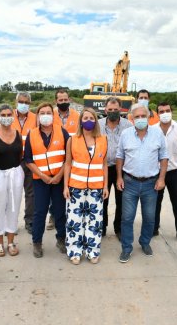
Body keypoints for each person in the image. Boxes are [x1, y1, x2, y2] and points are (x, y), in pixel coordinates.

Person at [116, 103, 168, 263]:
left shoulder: (157, 133)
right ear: (131, 118)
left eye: (143, 116)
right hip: (130, 182)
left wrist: (161, 178)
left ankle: (145, 242)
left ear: (149, 117)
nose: (140, 119)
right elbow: (120, 156)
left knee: (149, 217)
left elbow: (164, 157)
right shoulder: (125, 134)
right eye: (136, 116)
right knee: (127, 218)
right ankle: (126, 248)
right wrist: (119, 177)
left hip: (151, 184)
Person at [24, 102, 70, 258]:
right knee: (40, 212)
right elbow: (28, 159)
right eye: (42, 113)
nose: (45, 116)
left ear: (53, 114)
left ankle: (61, 239)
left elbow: (68, 158)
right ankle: (37, 243)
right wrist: (42, 175)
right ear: (37, 116)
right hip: (40, 180)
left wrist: (59, 176)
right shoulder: (32, 134)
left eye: (48, 112)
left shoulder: (62, 132)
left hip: (58, 180)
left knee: (60, 211)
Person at [64, 108, 109, 265]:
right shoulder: (72, 139)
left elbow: (104, 164)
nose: (88, 120)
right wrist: (65, 187)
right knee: (74, 219)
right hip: (76, 186)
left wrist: (105, 186)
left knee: (95, 220)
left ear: (96, 120)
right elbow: (68, 164)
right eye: (85, 118)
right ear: (80, 121)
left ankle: (92, 251)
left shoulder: (103, 139)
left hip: (96, 187)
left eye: (91, 118)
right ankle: (74, 251)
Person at [152, 102, 177, 245]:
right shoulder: (152, 130)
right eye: (161, 111)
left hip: (175, 172)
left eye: (167, 110)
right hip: (156, 172)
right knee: (155, 203)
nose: (165, 113)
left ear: (171, 111)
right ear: (157, 114)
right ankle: (154, 228)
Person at [0, 104, 24, 257]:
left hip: (15, 174)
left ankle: (10, 242)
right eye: (3, 115)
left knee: (13, 208)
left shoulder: (18, 134)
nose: (6, 117)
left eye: (9, 114)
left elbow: (20, 155)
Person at [98, 97, 132, 238]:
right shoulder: (97, 125)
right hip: (101, 168)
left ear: (121, 109)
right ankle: (102, 227)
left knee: (121, 200)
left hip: (121, 169)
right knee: (102, 200)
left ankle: (118, 228)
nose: (112, 112)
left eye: (115, 109)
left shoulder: (128, 126)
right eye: (110, 109)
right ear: (105, 109)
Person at [46, 89, 80, 230]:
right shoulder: (50, 115)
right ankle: (53, 216)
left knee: (69, 188)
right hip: (55, 157)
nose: (63, 102)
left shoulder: (77, 115)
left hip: (73, 157)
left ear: (69, 100)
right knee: (54, 190)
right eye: (60, 100)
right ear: (56, 101)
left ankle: (67, 216)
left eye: (65, 100)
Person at [12, 92, 37, 234]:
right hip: (12, 160)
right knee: (13, 192)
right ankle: (11, 224)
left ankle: (30, 222)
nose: (24, 104)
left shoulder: (35, 118)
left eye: (26, 102)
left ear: (30, 104)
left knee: (30, 193)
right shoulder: (8, 116)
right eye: (21, 101)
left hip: (28, 160)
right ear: (16, 102)